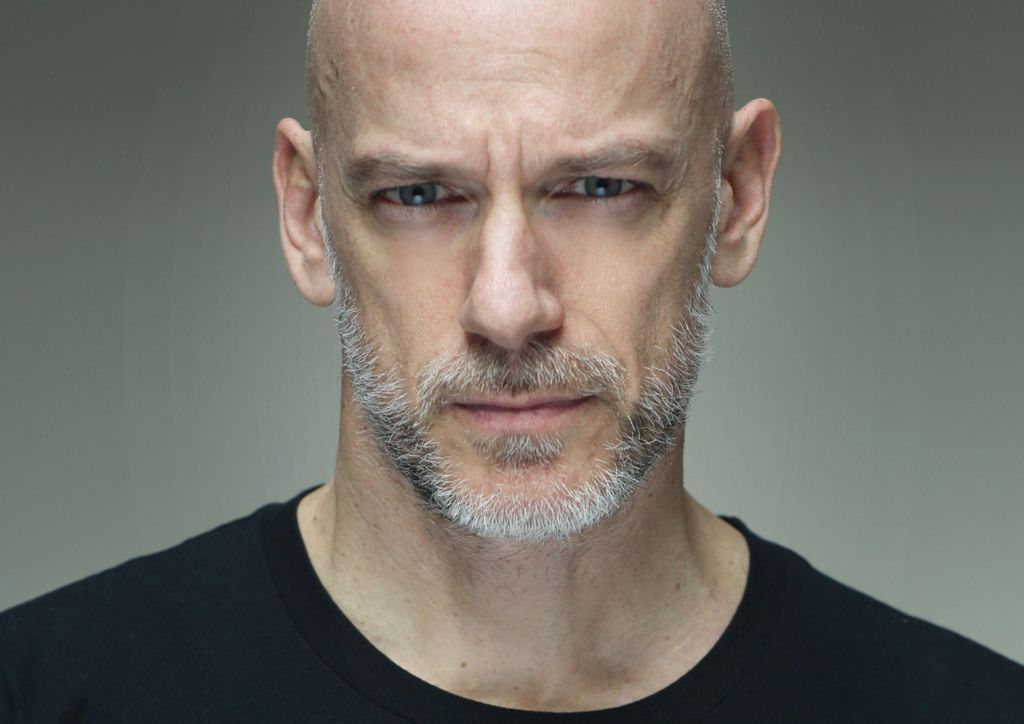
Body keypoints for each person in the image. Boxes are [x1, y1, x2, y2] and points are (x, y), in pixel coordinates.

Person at [2, 0, 1022, 721]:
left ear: (739, 194)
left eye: (598, 187)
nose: (506, 306)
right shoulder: (43, 694)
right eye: (417, 195)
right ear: (307, 216)